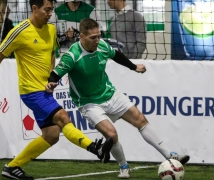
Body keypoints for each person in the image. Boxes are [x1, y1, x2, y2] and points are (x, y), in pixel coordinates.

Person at [0, 0, 113, 179]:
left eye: (51, 10)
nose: (50, 14)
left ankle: (12, 167)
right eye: (47, 10)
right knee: (63, 117)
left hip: (45, 90)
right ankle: (95, 148)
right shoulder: (19, 31)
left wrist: (51, 76)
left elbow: (51, 52)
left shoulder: (50, 30)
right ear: (34, 9)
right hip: (30, 91)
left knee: (51, 135)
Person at [46, 18, 190, 179]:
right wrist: (51, 83)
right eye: (93, 37)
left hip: (109, 93)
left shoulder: (102, 46)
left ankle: (171, 155)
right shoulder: (72, 56)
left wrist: (134, 67)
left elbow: (116, 55)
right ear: (82, 37)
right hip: (88, 103)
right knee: (112, 135)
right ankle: (124, 167)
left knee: (140, 119)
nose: (97, 40)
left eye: (98, 36)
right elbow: (55, 74)